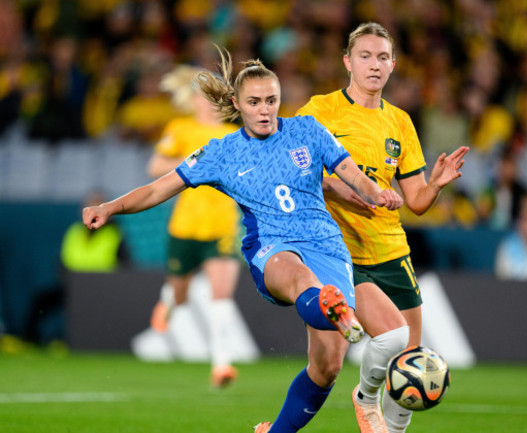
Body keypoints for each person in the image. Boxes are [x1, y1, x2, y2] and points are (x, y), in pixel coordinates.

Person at [82, 46, 409, 433]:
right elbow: (158, 189)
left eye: (271, 100)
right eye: (254, 102)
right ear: (237, 103)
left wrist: (378, 194)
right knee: (300, 278)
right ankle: (329, 307)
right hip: (272, 247)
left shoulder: (307, 131)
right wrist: (111, 207)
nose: (265, 109)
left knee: (327, 368)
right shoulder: (221, 152)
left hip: (325, 244)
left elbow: (352, 175)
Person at [297, 22, 468, 433]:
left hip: (391, 249)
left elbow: (417, 202)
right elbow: (298, 172)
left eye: (382, 58)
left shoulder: (401, 123)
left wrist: (436, 185)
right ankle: (363, 396)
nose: (374, 65)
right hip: (341, 250)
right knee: (372, 348)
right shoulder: (320, 110)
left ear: (393, 65)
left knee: (412, 365)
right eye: (365, 56)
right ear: (348, 62)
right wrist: (344, 192)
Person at [145, 64, 242, 388]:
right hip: (185, 226)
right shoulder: (181, 128)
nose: (207, 102)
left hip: (222, 225)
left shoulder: (234, 136)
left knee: (221, 294)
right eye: (202, 96)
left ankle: (221, 364)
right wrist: (190, 164)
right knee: (181, 293)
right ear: (194, 99)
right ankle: (169, 301)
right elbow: (155, 165)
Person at [61, 190, 127, 272]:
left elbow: (121, 264)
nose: (94, 211)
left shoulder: (114, 232)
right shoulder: (74, 230)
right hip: (75, 279)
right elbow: (65, 261)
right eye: (91, 206)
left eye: (98, 206)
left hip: (104, 280)